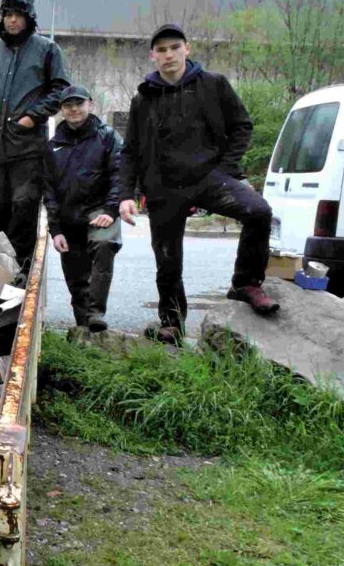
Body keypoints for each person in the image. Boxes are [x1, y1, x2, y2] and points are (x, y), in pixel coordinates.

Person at [118, 24, 277, 343]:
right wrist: (126, 194)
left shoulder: (213, 85)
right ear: (153, 56)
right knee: (167, 260)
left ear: (187, 49)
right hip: (163, 187)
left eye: (174, 48)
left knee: (259, 212)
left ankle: (246, 283)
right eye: (161, 50)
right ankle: (172, 323)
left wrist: (227, 168)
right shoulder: (143, 98)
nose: (168, 55)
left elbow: (242, 126)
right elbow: (131, 150)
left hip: (208, 178)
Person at [0, 0, 70, 265]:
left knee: (23, 210)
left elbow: (60, 90)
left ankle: (19, 276)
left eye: (18, 15)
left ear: (29, 18)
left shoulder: (47, 50)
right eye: (8, 14)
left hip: (27, 148)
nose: (12, 20)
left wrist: (31, 117)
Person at [42, 85, 123, 333]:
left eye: (79, 103)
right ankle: (84, 331)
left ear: (90, 104)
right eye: (68, 105)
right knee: (77, 280)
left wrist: (110, 211)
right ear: (61, 110)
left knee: (103, 245)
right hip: (68, 219)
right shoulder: (53, 145)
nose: (74, 109)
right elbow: (49, 190)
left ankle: (96, 313)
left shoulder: (108, 136)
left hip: (100, 210)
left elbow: (121, 175)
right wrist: (56, 230)